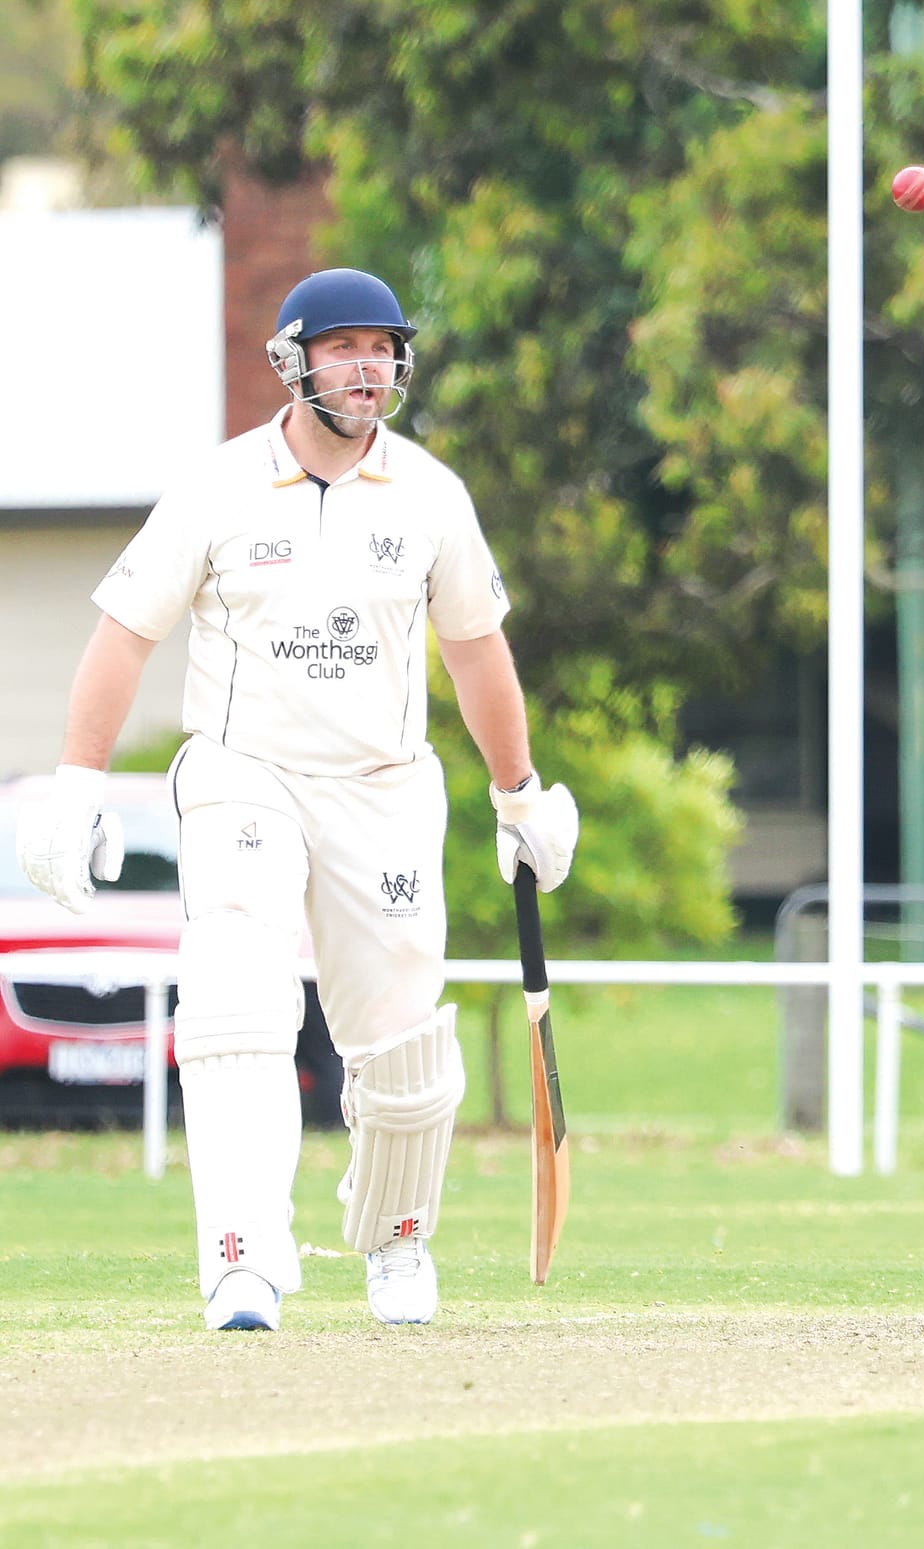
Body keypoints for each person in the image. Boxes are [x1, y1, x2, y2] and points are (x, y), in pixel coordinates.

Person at [14, 268, 579, 1333]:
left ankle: (398, 1242)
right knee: (234, 999)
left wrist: (519, 794)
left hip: (383, 787)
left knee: (402, 1036)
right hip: (245, 773)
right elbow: (124, 632)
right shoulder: (218, 487)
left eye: (384, 348)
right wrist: (77, 784)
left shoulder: (429, 495)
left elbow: (474, 649)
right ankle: (243, 1258)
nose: (369, 367)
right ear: (295, 360)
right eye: (345, 347)